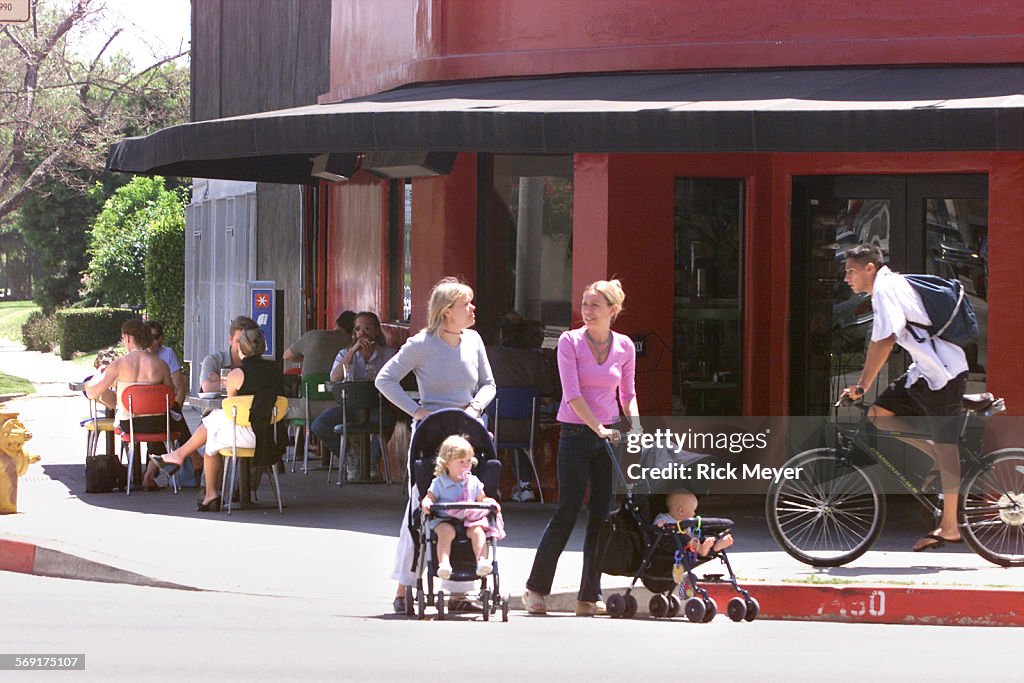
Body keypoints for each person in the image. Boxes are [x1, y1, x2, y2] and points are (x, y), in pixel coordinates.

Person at [375, 276, 496, 614]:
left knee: (470, 509)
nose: (472, 309)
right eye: (466, 304)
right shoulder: (422, 344)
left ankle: (460, 590)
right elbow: (384, 379)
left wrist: (475, 407)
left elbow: (488, 384)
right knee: (420, 510)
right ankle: (404, 587)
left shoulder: (473, 340)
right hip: (431, 438)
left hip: (469, 433)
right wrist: (416, 409)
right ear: (446, 312)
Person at [523, 278, 641, 617]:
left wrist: (635, 426)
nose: (587, 311)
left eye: (595, 306)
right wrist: (598, 427)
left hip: (609, 437)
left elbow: (628, 395)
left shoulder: (625, 346)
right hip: (576, 433)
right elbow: (571, 393)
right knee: (568, 511)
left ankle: (589, 595)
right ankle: (536, 588)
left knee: (602, 516)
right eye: (585, 304)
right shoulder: (569, 342)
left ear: (612, 311)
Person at [840, 244, 969, 552]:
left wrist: (862, 384)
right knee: (878, 415)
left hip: (945, 374)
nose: (846, 277)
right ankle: (935, 454)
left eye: (850, 270)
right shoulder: (890, 286)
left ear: (869, 268)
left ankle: (950, 526)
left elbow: (884, 339)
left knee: (947, 447)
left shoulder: (885, 289)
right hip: (923, 373)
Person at [152, 327, 286, 512]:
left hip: (246, 436)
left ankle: (207, 490)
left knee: (213, 429)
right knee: (214, 425)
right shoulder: (277, 370)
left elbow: (230, 408)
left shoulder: (236, 375)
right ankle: (183, 461)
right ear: (263, 348)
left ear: (240, 348)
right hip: (272, 435)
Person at [86, 319, 173, 492]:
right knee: (164, 428)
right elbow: (171, 395)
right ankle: (149, 475)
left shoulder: (119, 364)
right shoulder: (160, 365)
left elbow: (93, 392)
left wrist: (97, 375)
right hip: (159, 424)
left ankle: (136, 474)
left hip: (130, 425)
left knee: (130, 419)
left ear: (127, 338)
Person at [310, 311, 396, 480]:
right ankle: (352, 455)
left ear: (376, 331)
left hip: (376, 406)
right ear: (354, 333)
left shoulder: (388, 354)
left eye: (367, 329)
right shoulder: (344, 354)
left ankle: (371, 462)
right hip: (348, 407)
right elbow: (334, 378)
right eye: (358, 329)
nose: (362, 333)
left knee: (387, 419)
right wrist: (352, 352)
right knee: (319, 425)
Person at [486, 315, 554, 501]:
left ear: (501, 333)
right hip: (527, 430)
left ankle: (491, 486)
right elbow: (548, 400)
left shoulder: (488, 355)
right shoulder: (536, 360)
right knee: (523, 437)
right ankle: (525, 486)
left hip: (492, 429)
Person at [421, 434, 505, 579]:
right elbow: (429, 498)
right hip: (445, 519)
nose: (466, 466)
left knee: (479, 531)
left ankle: (482, 561)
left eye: (469, 461)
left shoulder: (473, 482)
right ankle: (444, 564)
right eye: (461, 462)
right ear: (447, 464)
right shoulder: (439, 483)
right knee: (445, 532)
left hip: (469, 519)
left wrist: (489, 502)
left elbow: (482, 498)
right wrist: (427, 503)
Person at [146, 321, 198, 478]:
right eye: (147, 337)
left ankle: (148, 475)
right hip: (144, 412)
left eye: (155, 337)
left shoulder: (167, 354)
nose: (151, 342)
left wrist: (176, 410)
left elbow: (180, 388)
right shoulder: (138, 357)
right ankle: (195, 458)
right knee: (167, 422)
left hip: (164, 409)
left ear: (161, 338)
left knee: (168, 418)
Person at [654, 491, 734, 556]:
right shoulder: (664, 518)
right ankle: (702, 549)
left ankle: (716, 545)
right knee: (684, 537)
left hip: (692, 542)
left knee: (701, 534)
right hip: (675, 543)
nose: (694, 514)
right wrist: (660, 525)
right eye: (693, 510)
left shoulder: (687, 522)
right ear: (681, 511)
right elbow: (655, 527)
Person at [283, 310, 356, 376]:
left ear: (336, 323)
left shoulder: (313, 335)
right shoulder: (353, 345)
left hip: (309, 388)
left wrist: (309, 357)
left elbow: (286, 356)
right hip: (336, 388)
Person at [199, 316, 259, 393]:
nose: (242, 347)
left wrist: (223, 382)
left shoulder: (259, 363)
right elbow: (207, 388)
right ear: (231, 340)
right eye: (239, 341)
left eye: (248, 342)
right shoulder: (213, 361)